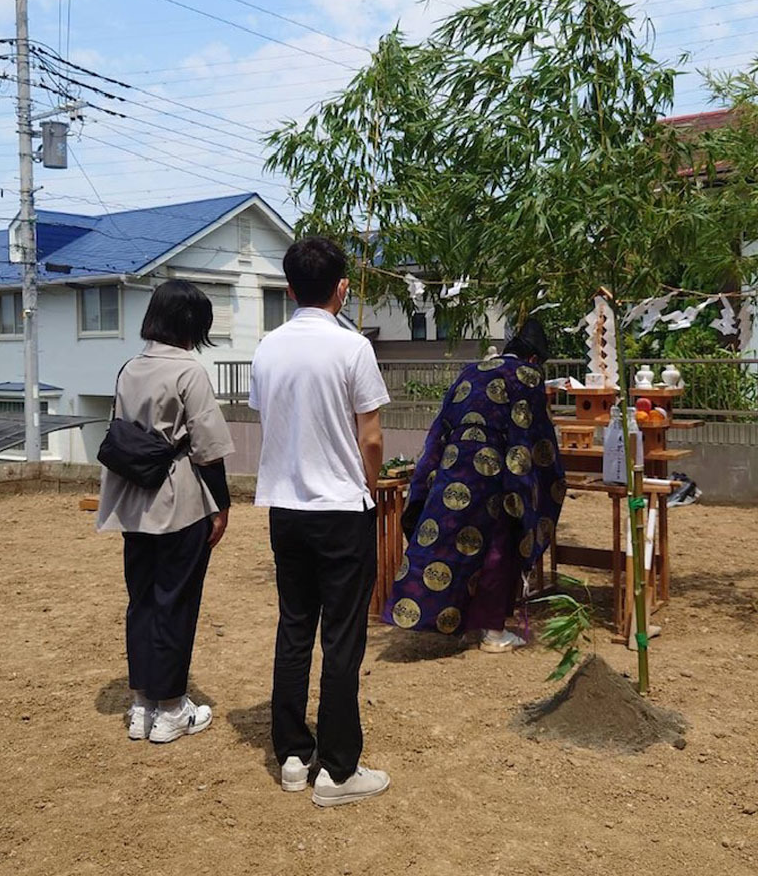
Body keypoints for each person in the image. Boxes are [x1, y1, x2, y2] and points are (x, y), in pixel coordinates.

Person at [250, 236, 392, 808]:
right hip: (341, 509)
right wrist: (371, 483)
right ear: (341, 288)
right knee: (342, 638)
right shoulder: (353, 348)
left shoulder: (267, 348)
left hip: (285, 508)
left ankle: (291, 755)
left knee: (294, 627)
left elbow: (274, 420)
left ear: (288, 289)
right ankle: (336, 770)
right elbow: (373, 435)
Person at [97, 280, 235, 743]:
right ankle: (173, 708)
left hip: (133, 501)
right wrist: (223, 506)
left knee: (142, 601)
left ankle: (142, 705)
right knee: (176, 602)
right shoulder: (189, 370)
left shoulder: (128, 367)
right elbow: (208, 449)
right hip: (179, 501)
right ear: (192, 324)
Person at [383, 318, 565, 652]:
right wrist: (536, 483)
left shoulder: (471, 371)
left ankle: (451, 619)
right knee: (499, 546)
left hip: (453, 465)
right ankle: (493, 632)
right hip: (494, 472)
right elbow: (534, 436)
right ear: (535, 359)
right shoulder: (527, 377)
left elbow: (441, 425)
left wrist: (430, 474)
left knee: (449, 542)